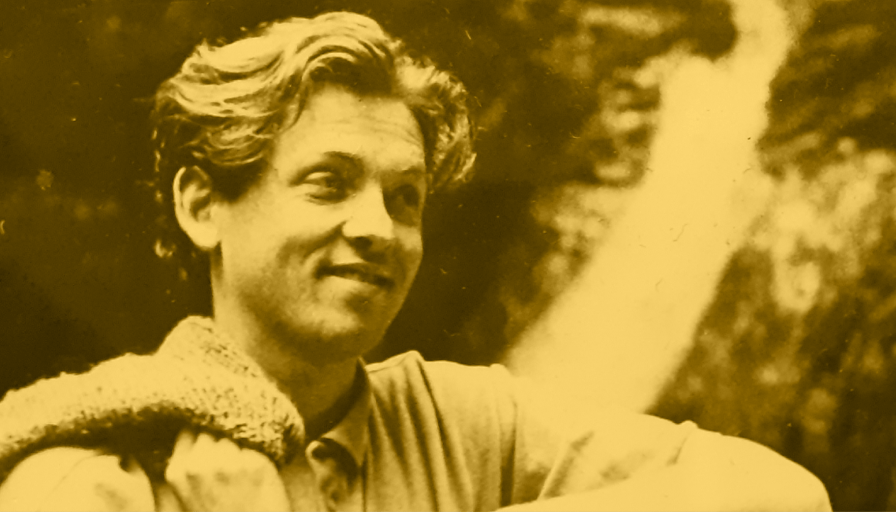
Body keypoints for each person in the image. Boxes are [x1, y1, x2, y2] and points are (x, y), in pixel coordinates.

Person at [0, 10, 830, 511]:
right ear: (202, 206)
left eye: (405, 198)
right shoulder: (93, 478)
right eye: (329, 184)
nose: (378, 228)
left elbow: (788, 497)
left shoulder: (472, 425)